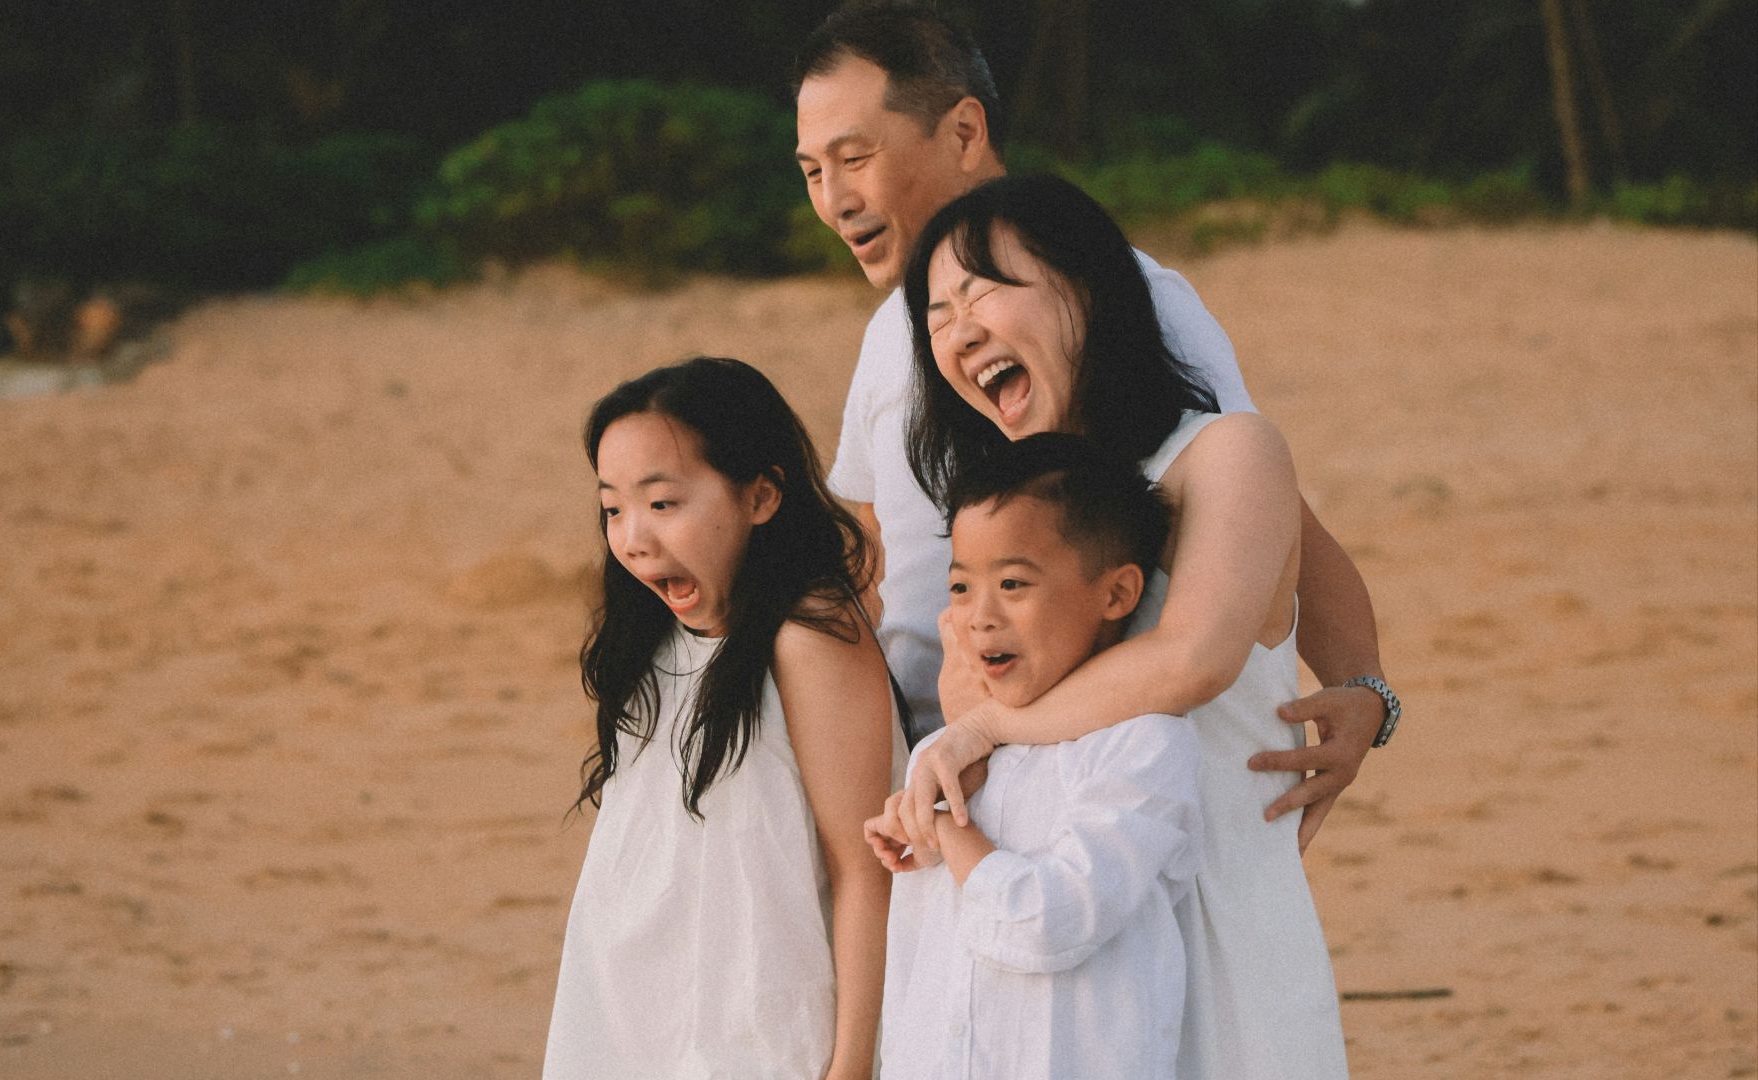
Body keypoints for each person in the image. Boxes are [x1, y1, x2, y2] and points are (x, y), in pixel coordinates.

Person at [792, 0, 1400, 848]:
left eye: (855, 159)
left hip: (1095, 775)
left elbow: (1265, 518)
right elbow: (877, 555)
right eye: (812, 172)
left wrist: (1365, 688)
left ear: (965, 133)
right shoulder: (893, 336)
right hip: (935, 784)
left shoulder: (1126, 299)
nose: (835, 200)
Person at [902, 172, 1349, 1078]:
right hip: (1052, 965)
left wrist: (1371, 690)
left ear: (1087, 287)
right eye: (937, 315)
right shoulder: (1001, 523)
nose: (957, 330)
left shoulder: (1227, 453)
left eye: (981, 289)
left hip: (1215, 934)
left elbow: (1191, 660)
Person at [543, 357, 905, 1080]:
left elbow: (866, 872)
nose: (633, 538)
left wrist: (851, 1068)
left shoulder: (808, 638)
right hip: (632, 1009)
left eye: (663, 503)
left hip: (765, 1027)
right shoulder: (651, 637)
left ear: (762, 496)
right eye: (613, 507)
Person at [865, 434, 1203, 1079]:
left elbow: (1049, 920)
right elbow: (919, 963)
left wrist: (942, 827)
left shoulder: (1144, 746)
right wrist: (910, 824)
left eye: (1013, 583)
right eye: (961, 587)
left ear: (1117, 594)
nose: (978, 617)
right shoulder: (946, 752)